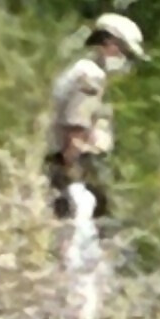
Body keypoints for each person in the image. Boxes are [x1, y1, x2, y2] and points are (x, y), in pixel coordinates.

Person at [43, 13, 145, 225]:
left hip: (64, 166)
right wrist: (72, 177)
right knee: (80, 231)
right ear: (109, 43)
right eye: (125, 52)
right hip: (76, 168)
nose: (126, 61)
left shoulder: (79, 69)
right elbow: (76, 128)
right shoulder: (91, 76)